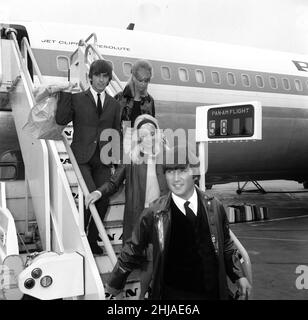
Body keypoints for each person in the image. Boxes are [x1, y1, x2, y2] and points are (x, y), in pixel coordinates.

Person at [105, 144, 252, 300]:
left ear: (194, 173)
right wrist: (115, 285)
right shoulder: (154, 212)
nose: (176, 179)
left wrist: (239, 276)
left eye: (182, 171)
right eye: (170, 172)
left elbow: (226, 245)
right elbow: (132, 249)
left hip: (212, 292)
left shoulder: (215, 206)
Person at [85, 114, 169, 298]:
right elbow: (114, 183)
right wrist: (98, 192)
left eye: (152, 134)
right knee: (128, 258)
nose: (149, 138)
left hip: (160, 215)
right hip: (138, 217)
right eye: (144, 134)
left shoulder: (166, 157)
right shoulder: (131, 159)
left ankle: (142, 296)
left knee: (151, 260)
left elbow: (179, 183)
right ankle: (115, 291)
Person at [56, 59, 121, 255]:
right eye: (98, 75)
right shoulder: (77, 99)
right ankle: (81, 236)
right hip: (82, 157)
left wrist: (115, 160)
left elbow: (115, 131)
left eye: (105, 76)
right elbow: (61, 119)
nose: (101, 80)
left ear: (109, 79)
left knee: (104, 199)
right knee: (91, 195)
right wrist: (66, 92)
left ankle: (92, 239)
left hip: (103, 158)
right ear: (90, 77)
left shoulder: (114, 104)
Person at [115, 59, 155, 130]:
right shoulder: (120, 98)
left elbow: (152, 127)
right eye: (140, 80)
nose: (143, 84)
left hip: (143, 140)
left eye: (146, 81)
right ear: (133, 77)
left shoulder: (150, 101)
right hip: (121, 139)